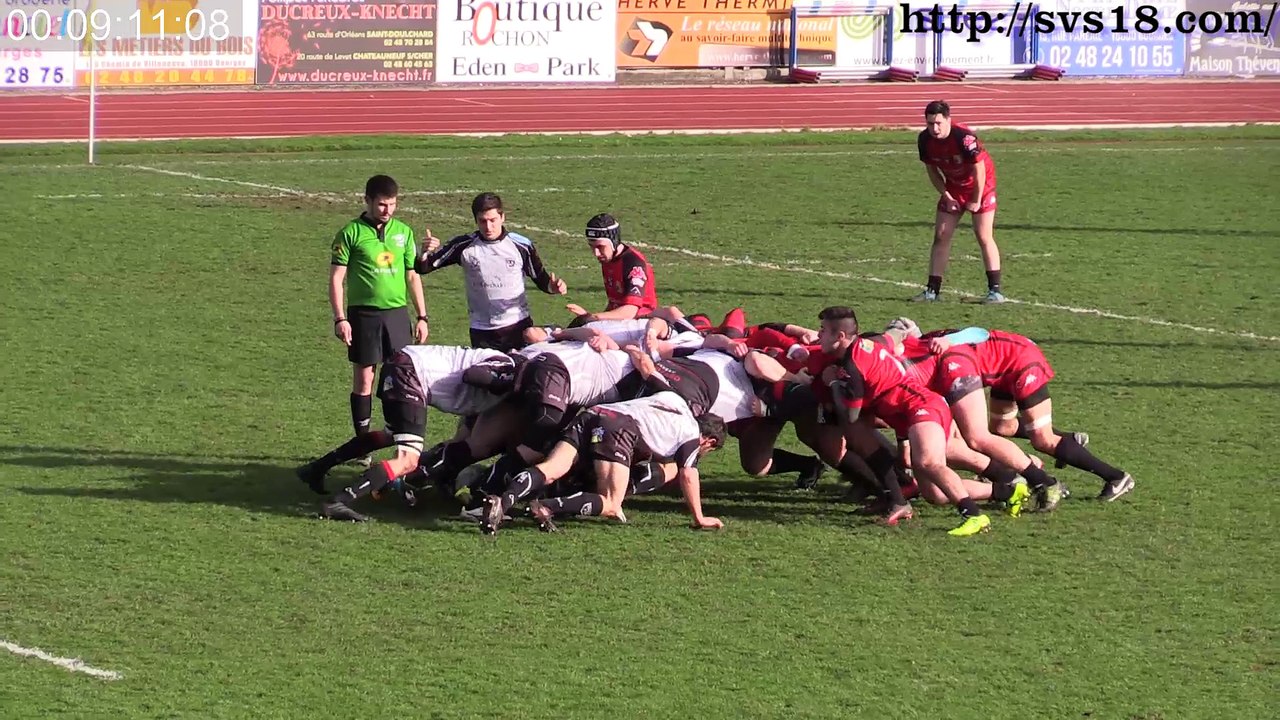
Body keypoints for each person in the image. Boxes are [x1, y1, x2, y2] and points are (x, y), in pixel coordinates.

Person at [811, 306, 993, 536]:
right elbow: (891, 338)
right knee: (933, 494)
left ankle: (975, 516)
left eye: (823, 330)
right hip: (910, 411)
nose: (818, 335)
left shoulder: (853, 365)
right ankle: (898, 501)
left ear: (839, 337)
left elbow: (851, 415)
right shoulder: (869, 344)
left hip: (922, 407)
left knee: (929, 463)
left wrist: (833, 383)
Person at [329, 175, 429, 466]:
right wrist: (340, 318)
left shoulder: (404, 232)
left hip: (397, 314)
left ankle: (402, 442)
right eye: (382, 204)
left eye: (392, 205)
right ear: (368, 201)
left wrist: (422, 316)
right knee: (365, 379)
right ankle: (362, 445)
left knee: (401, 379)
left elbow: (412, 275)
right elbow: (337, 279)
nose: (387, 210)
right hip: (364, 315)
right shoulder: (350, 233)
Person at [415, 192, 567, 351]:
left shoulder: (521, 245)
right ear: (476, 220)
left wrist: (553, 287)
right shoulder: (464, 246)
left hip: (517, 326)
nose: (488, 227)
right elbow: (424, 268)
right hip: (482, 331)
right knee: (485, 374)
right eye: (483, 221)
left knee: (521, 372)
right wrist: (425, 252)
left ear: (502, 217)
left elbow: (541, 278)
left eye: (493, 220)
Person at [914, 100, 1006, 304]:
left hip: (981, 186)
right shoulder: (924, 140)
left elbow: (979, 169)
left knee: (983, 236)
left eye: (938, 123)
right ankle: (932, 290)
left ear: (948, 120)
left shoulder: (963, 137)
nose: (934, 129)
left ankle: (995, 291)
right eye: (930, 124)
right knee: (941, 235)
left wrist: (975, 199)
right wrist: (946, 195)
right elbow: (932, 170)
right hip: (954, 187)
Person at [566, 213, 659, 326]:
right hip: (620, 322)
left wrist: (592, 318)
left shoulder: (633, 264)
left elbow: (629, 311)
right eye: (592, 246)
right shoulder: (608, 259)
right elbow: (615, 304)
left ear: (613, 241)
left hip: (639, 323)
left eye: (600, 247)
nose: (596, 253)